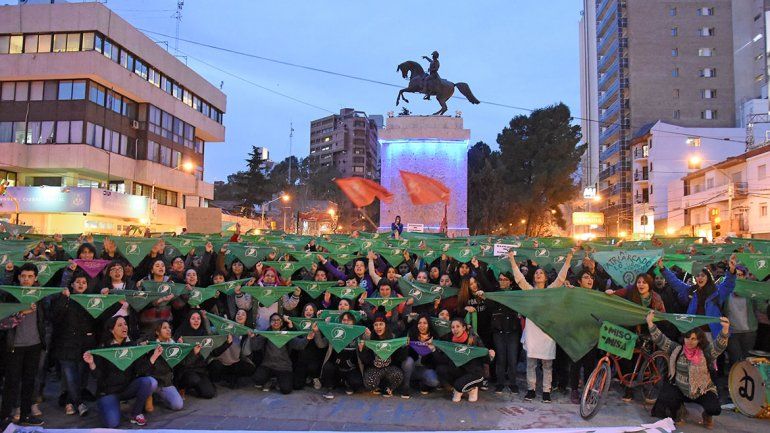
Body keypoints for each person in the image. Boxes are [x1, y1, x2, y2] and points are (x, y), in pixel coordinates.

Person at [509, 248, 575, 403]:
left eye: (541, 273)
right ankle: (531, 390)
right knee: (530, 364)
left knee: (547, 364)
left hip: (547, 333)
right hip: (532, 332)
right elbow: (519, 279)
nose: (538, 274)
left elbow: (560, 279)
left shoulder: (551, 291)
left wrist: (568, 259)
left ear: (546, 278)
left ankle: (546, 391)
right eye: (536, 273)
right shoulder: (529, 291)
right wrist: (511, 260)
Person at [648, 310, 730, 429]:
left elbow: (719, 346)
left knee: (715, 409)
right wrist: (650, 322)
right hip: (681, 388)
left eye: (693, 339)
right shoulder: (677, 349)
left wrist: (725, 329)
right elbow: (661, 340)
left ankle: (707, 415)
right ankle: (679, 410)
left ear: (699, 340)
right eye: (687, 338)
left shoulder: (706, 353)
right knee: (668, 396)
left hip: (701, 390)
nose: (689, 342)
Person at [82, 316, 159, 428]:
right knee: (112, 424)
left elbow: (140, 370)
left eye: (125, 324)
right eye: (120, 325)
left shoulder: (131, 345)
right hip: (108, 392)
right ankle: (108, 405)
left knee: (149, 382)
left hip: (126, 388)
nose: (124, 327)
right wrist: (91, 363)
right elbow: (97, 376)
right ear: (111, 330)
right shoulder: (104, 348)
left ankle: (136, 413)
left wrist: (154, 356)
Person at [0, 262, 47, 426]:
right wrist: (21, 313)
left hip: (34, 345)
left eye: (30, 276)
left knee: (29, 381)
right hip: (15, 346)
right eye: (23, 276)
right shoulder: (9, 294)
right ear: (18, 277)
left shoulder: (40, 295)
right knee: (11, 382)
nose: (26, 280)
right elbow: (2, 322)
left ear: (35, 278)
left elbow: (46, 317)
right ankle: (5, 416)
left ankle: (26, 414)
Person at [657, 255, 737, 340]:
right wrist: (662, 268)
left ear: (708, 277)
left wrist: (731, 269)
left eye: (703, 275)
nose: (700, 278)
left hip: (712, 334)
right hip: (693, 334)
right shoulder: (691, 290)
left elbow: (728, 284)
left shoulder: (717, 291)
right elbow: (675, 282)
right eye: (697, 275)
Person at [51, 272, 96, 417]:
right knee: (70, 376)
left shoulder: (90, 301)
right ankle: (78, 403)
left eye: (84, 282)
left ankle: (70, 402)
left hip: (84, 346)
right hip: (65, 345)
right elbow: (55, 317)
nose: (81, 284)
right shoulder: (63, 298)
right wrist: (64, 298)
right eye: (78, 282)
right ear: (72, 284)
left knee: (82, 376)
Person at [252, 313, 317, 394]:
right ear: (270, 322)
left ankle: (277, 381)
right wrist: (252, 337)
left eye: (278, 320)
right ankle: (270, 380)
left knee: (286, 390)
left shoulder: (286, 334)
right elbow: (255, 347)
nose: (276, 322)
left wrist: (308, 338)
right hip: (267, 365)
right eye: (273, 320)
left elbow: (298, 345)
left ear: (282, 323)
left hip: (284, 367)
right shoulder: (266, 334)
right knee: (257, 379)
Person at [432, 318, 494, 402]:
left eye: (458, 326)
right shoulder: (450, 340)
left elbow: (485, 359)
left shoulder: (473, 339)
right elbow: (443, 360)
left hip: (475, 372)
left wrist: (490, 355)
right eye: (453, 327)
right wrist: (433, 349)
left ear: (464, 328)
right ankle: (461, 387)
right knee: (441, 369)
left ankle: (472, 388)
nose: (455, 329)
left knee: (458, 386)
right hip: (460, 370)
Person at [174, 311, 231, 399]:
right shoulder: (181, 335)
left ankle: (198, 385)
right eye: (193, 318)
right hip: (185, 370)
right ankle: (181, 387)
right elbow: (180, 363)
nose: (196, 321)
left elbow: (213, 352)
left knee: (209, 393)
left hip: (200, 370)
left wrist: (227, 343)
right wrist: (191, 351)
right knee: (193, 379)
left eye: (198, 318)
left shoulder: (203, 334)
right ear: (188, 320)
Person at [318, 312, 365, 399]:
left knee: (357, 383)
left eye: (349, 320)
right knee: (328, 367)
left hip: (351, 369)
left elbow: (368, 347)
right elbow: (321, 344)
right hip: (337, 368)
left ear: (353, 322)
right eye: (344, 320)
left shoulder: (358, 334)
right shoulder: (335, 332)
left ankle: (347, 383)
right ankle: (329, 388)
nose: (346, 322)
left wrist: (368, 336)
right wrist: (317, 332)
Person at [359, 313, 406, 398]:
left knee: (398, 375)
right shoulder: (370, 338)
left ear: (385, 325)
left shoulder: (393, 337)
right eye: (376, 325)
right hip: (374, 369)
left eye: (381, 324)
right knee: (370, 383)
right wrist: (362, 350)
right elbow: (365, 360)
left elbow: (400, 358)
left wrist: (404, 347)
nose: (378, 327)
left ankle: (388, 387)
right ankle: (381, 386)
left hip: (389, 368)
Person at [400, 314, 441, 397]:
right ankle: (406, 386)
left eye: (425, 323)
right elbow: (401, 356)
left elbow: (439, 360)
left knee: (434, 382)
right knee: (408, 361)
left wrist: (433, 350)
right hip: (411, 368)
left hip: (425, 369)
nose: (422, 325)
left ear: (429, 324)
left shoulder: (435, 337)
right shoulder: (411, 333)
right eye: (419, 323)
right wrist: (406, 346)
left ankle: (423, 384)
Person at [150, 321, 185, 411]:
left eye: (169, 328)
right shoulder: (151, 346)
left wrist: (180, 348)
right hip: (154, 382)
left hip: (166, 383)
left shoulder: (174, 345)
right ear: (157, 332)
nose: (168, 330)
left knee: (178, 405)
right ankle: (150, 396)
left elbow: (183, 364)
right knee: (151, 383)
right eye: (164, 328)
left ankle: (161, 397)